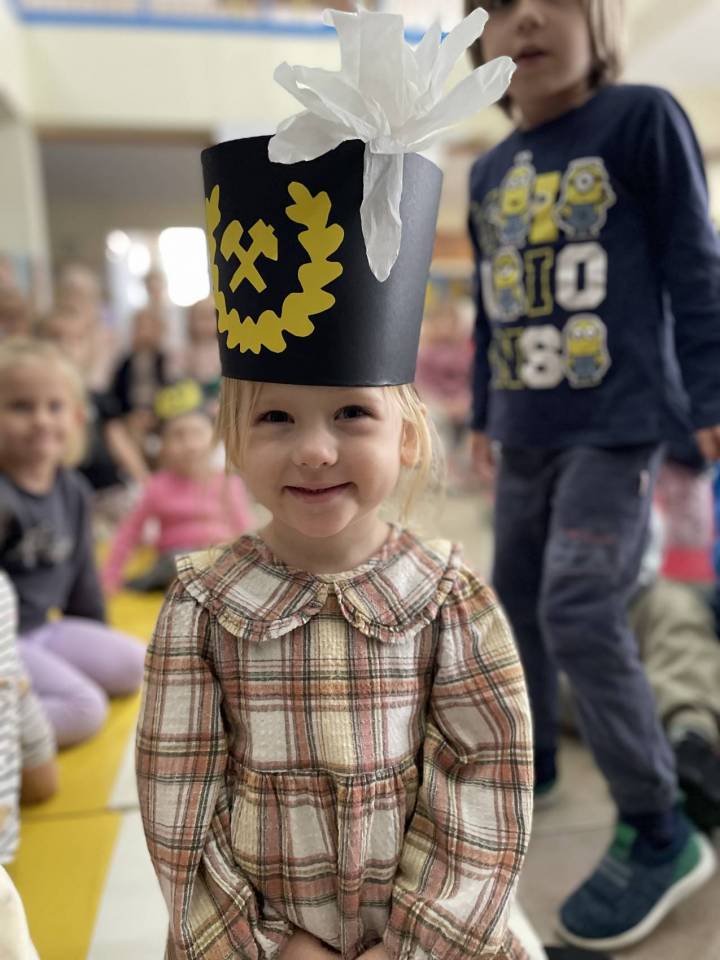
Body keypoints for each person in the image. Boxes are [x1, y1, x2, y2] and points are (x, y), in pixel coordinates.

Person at [137, 11, 533, 959]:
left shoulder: (449, 599)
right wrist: (269, 946)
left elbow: (488, 774)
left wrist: (416, 940)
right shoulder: (200, 608)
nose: (315, 451)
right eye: (276, 417)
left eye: (351, 413)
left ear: (409, 431)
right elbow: (177, 798)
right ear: (232, 438)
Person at [465, 0, 720, 951]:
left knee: (578, 605)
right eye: (497, 4)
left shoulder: (640, 116)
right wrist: (485, 412)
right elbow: (493, 302)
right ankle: (529, 766)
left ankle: (659, 828)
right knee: (515, 604)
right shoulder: (488, 169)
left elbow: (696, 265)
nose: (526, 16)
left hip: (617, 424)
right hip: (524, 425)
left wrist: (711, 395)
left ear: (601, 19)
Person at [0, 337, 146, 749]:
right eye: (21, 407)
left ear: (78, 417)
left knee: (135, 665)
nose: (41, 420)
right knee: (85, 707)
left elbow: (83, 577)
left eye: (54, 407)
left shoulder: (73, 489)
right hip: (5, 643)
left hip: (43, 630)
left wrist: (91, 640)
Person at [102, 380, 252, 594]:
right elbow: (129, 532)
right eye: (178, 435)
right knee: (176, 562)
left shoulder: (228, 481)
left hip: (219, 556)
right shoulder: (157, 486)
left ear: (214, 436)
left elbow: (243, 527)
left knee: (224, 557)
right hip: (175, 560)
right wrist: (110, 576)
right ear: (162, 446)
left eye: (197, 433)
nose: (189, 444)